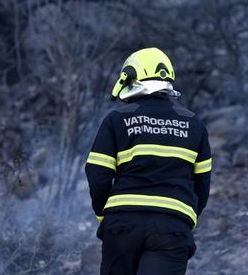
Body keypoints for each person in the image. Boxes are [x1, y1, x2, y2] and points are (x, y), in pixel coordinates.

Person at [85, 47, 212, 275]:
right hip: (171, 227)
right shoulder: (194, 124)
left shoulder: (116, 119)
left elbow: (97, 175)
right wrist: (183, 217)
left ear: (131, 78)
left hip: (122, 223)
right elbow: (202, 187)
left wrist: (105, 215)